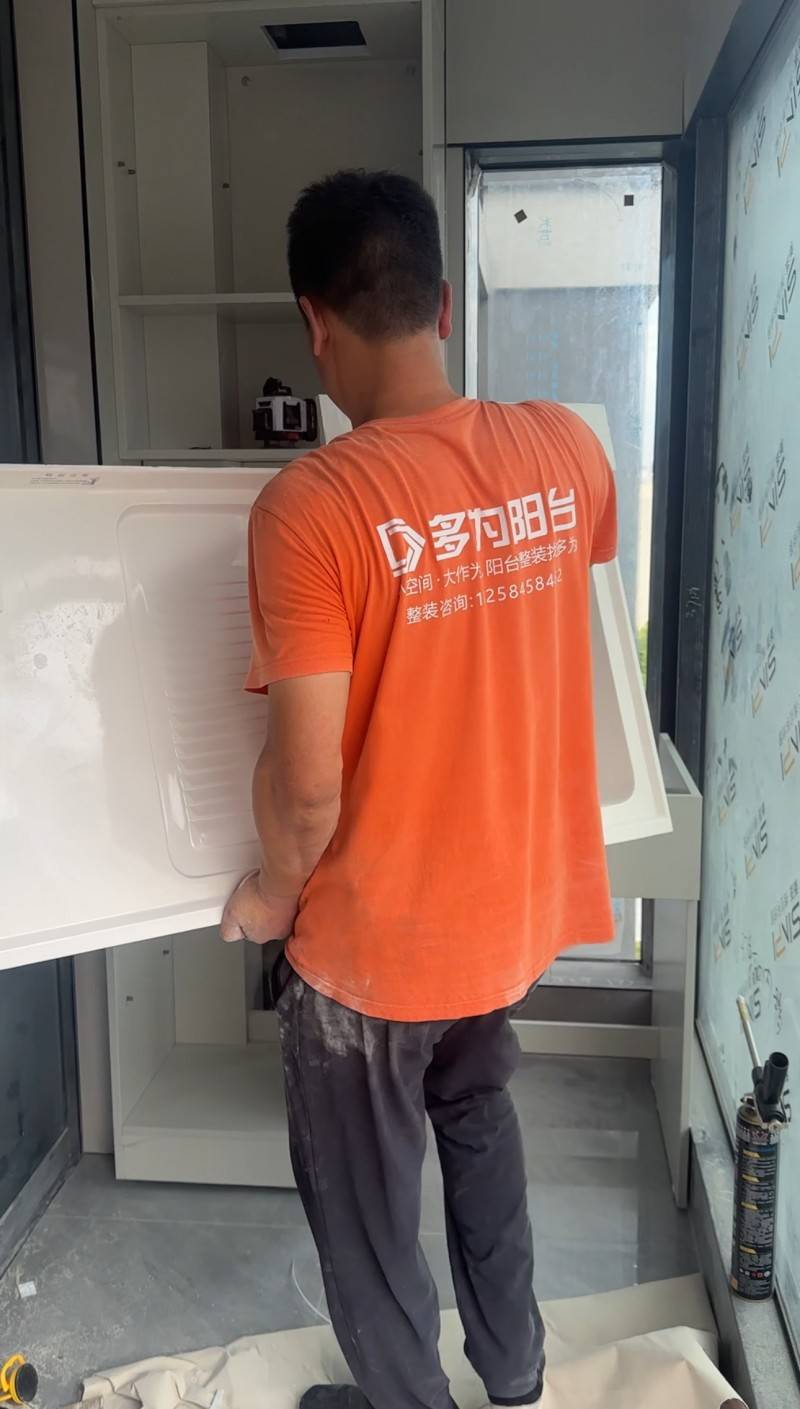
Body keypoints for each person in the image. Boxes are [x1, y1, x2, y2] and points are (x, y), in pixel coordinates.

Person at [220, 169, 617, 1409]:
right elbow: (542, 622)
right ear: (444, 304)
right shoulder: (567, 449)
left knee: (365, 1213)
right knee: (480, 1125)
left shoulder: (313, 506)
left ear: (313, 321)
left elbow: (306, 788)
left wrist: (266, 896)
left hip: (376, 945)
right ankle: (514, 1372)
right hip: (506, 915)